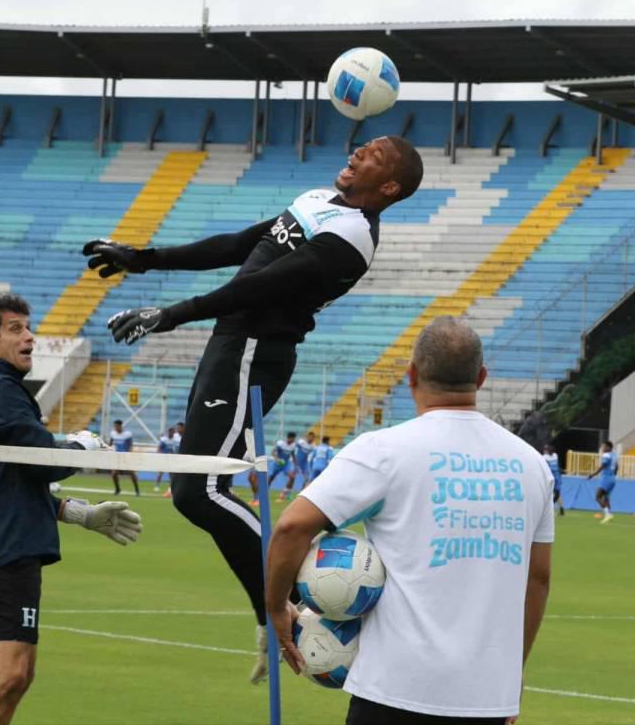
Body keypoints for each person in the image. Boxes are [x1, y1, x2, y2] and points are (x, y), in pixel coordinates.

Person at [85, 136, 424, 683]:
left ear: (388, 187)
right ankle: (278, 608)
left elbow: (261, 286)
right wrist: (144, 260)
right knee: (195, 491)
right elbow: (242, 245)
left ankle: (294, 595)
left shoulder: (353, 237)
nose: (358, 150)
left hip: (255, 353)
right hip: (230, 346)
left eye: (375, 156)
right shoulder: (319, 201)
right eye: (363, 145)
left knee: (201, 491)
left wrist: (170, 315)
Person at [266, 316, 553, 725]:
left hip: (394, 692)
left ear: (411, 375)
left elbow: (293, 526)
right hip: (486, 698)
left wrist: (276, 605)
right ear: (482, 377)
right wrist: (509, 678)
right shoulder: (532, 465)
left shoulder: (384, 450)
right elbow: (538, 578)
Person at [0, 294, 142, 725]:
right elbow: (44, 459)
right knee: (5, 674)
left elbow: (15, 481)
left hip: (8, 540)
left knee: (18, 676)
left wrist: (81, 514)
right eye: (15, 329)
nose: (30, 337)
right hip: (4, 546)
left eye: (27, 327)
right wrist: (81, 447)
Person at [585, 440, 618, 523]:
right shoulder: (614, 455)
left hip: (606, 478)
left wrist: (592, 474)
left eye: (604, 446)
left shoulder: (606, 455)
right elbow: (617, 466)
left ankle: (608, 514)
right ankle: (609, 516)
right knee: (605, 498)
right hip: (612, 478)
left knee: (597, 496)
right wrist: (613, 475)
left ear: (609, 447)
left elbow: (603, 466)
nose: (602, 448)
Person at [108, 420, 139, 497]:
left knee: (132, 473)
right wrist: (109, 449)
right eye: (114, 426)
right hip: (117, 456)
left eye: (116, 426)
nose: (115, 428)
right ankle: (118, 489)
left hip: (126, 456)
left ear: (120, 426)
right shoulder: (113, 433)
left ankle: (137, 490)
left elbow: (130, 445)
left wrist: (129, 454)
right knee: (114, 473)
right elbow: (110, 444)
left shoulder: (127, 434)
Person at [155, 424, 182, 493]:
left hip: (172, 459)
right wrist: (160, 455)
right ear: (168, 432)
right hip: (164, 458)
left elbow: (177, 448)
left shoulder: (176, 439)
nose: (171, 433)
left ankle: (170, 487)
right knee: (160, 473)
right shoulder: (164, 439)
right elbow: (159, 448)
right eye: (170, 431)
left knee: (171, 474)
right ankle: (157, 486)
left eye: (172, 431)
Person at [274, 431, 298, 501]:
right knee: (271, 478)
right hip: (277, 463)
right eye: (293, 438)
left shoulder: (293, 445)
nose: (294, 440)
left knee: (292, 477)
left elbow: (293, 455)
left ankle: (286, 494)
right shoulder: (280, 443)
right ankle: (263, 493)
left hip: (286, 465)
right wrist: (277, 459)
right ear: (290, 438)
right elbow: (273, 452)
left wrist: (296, 465)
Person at [542, 443, 564, 516]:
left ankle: (549, 508)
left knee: (555, 494)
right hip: (555, 476)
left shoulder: (545, 457)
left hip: (552, 477)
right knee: (556, 494)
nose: (546, 451)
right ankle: (560, 510)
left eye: (546, 449)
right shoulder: (554, 455)